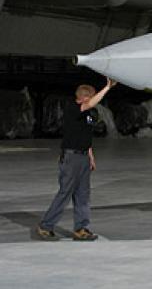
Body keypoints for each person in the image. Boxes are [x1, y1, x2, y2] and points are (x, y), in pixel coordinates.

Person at [35, 78, 116, 241]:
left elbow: (86, 136)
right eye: (92, 97)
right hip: (71, 158)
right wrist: (107, 87)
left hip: (83, 157)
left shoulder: (89, 114)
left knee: (83, 195)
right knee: (65, 193)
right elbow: (91, 104)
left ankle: (81, 228)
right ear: (85, 98)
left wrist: (90, 157)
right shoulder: (73, 109)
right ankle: (45, 226)